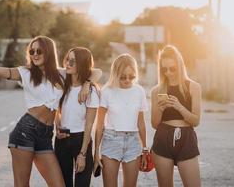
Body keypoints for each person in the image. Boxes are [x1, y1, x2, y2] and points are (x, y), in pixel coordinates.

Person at [0, 36, 100, 187]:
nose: (35, 54)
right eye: (31, 51)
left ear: (49, 52)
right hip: (25, 131)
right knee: (22, 184)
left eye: (39, 51)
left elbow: (96, 71)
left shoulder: (62, 74)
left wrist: (87, 84)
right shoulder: (25, 73)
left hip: (45, 135)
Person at [151, 45, 202, 187]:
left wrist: (180, 107)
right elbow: (154, 124)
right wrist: (160, 110)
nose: (168, 72)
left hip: (186, 138)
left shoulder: (193, 87)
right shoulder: (157, 90)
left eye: (172, 68)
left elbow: (196, 121)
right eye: (164, 69)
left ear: (180, 66)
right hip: (163, 137)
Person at [94, 54, 148, 187]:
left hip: (133, 142)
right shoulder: (107, 91)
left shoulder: (139, 91)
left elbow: (141, 123)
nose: (127, 80)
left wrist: (145, 149)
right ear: (115, 74)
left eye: (132, 76)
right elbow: (99, 124)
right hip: (111, 141)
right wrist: (96, 152)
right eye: (123, 77)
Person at [54, 47, 99, 187]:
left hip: (81, 140)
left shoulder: (91, 91)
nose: (67, 63)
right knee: (64, 184)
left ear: (82, 64)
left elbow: (89, 125)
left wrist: (83, 155)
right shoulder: (61, 83)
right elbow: (56, 110)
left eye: (73, 61)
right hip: (62, 140)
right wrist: (57, 127)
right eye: (67, 59)